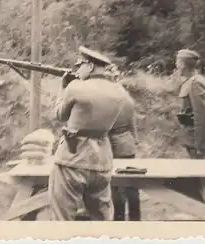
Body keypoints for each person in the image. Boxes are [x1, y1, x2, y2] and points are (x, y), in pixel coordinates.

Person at [48, 46, 131, 221]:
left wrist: (63, 88)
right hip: (101, 160)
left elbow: (59, 115)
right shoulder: (119, 91)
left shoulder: (75, 87)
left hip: (72, 157)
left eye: (80, 64)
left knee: (62, 219)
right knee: (101, 219)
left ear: (91, 66)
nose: (77, 68)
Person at [175, 49, 205, 160]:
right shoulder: (191, 81)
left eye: (177, 62)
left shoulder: (195, 83)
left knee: (204, 174)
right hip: (193, 138)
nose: (176, 65)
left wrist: (200, 145)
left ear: (182, 65)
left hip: (198, 140)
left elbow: (201, 115)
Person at [108, 88, 141, 221]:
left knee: (116, 185)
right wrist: (134, 139)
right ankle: (134, 219)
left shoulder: (106, 99)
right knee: (131, 184)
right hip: (127, 142)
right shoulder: (126, 98)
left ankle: (119, 219)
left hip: (113, 143)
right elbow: (132, 124)